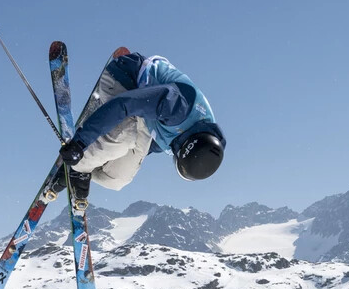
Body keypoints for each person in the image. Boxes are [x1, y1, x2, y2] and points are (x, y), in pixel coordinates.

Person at [52, 52, 226, 205]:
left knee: (117, 179)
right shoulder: (177, 106)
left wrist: (106, 157)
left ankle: (87, 164)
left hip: (147, 116)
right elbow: (125, 104)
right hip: (125, 79)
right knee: (125, 137)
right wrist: (82, 142)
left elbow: (146, 149)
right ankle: (78, 166)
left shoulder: (189, 141)